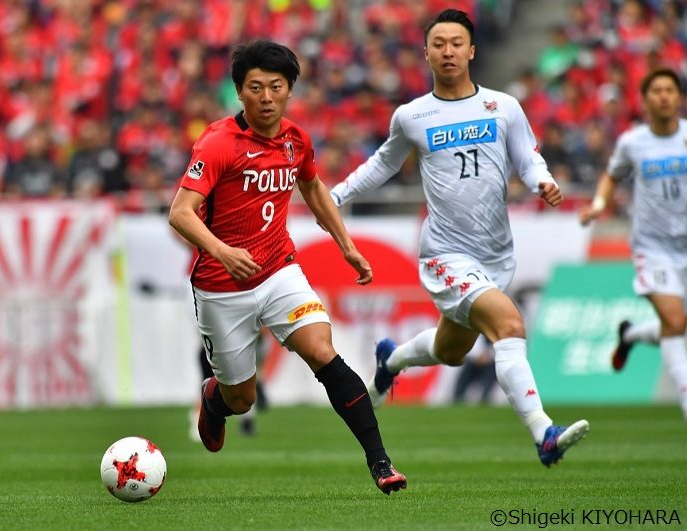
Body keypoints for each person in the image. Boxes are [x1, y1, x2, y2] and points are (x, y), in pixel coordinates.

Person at [329, 9, 590, 467]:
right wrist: (336, 195)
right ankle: (542, 433)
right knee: (508, 326)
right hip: (444, 254)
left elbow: (527, 157)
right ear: (426, 52)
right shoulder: (413, 115)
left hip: (495, 253)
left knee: (452, 351)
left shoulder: (503, 106)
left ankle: (391, 359)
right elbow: (383, 165)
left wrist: (542, 181)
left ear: (472, 50)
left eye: (456, 43)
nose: (448, 51)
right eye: (438, 44)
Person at [168, 40, 407, 494]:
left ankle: (380, 463)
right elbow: (180, 212)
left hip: (279, 270)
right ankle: (215, 400)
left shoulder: (296, 139)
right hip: (222, 286)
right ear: (239, 92)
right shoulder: (218, 143)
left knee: (322, 351)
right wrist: (222, 251)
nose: (265, 96)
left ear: (290, 90)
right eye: (254, 87)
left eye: (275, 86)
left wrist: (347, 246)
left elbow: (314, 190)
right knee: (243, 397)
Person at [580, 67, 687, 420]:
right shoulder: (633, 142)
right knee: (675, 319)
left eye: (670, 90)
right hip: (652, 247)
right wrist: (597, 205)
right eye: (656, 91)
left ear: (678, 97)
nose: (664, 96)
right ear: (644, 100)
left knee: (679, 322)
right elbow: (611, 177)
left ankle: (631, 335)